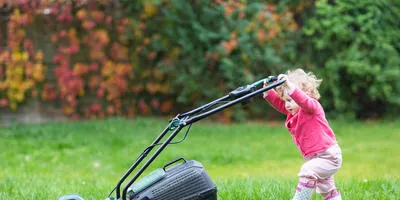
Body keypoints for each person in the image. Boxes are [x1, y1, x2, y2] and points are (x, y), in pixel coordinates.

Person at [263, 68, 342, 200]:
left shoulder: (312, 107)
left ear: (305, 94)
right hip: (316, 158)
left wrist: (290, 87)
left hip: (328, 157)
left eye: (290, 100)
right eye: (286, 100)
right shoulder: (293, 112)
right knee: (327, 191)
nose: (287, 105)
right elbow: (280, 103)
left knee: (308, 171)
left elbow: (302, 101)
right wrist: (267, 91)